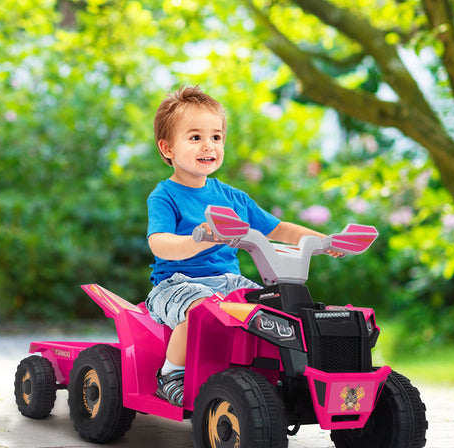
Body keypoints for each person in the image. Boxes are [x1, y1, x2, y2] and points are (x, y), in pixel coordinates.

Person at [145, 85, 341, 407]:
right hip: (177, 284)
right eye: (195, 138)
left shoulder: (234, 198)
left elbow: (280, 229)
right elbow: (160, 245)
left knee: (279, 309)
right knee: (199, 312)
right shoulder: (165, 196)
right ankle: (170, 375)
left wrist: (322, 240)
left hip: (230, 283)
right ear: (167, 148)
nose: (208, 145)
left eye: (216, 137)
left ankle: (283, 374)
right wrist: (198, 239)